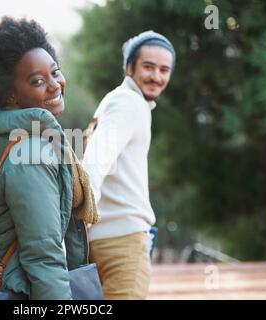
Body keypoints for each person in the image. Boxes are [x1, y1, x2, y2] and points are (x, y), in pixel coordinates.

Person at [0, 17, 98, 300]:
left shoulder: (5, 132)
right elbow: (43, 256)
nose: (55, 85)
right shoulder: (30, 151)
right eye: (38, 81)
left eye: (55, 72)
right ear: (12, 95)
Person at [82, 30, 176, 299]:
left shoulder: (115, 101)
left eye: (164, 69)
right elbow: (96, 159)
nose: (156, 76)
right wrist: (86, 208)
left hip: (101, 241)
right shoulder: (128, 102)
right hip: (123, 243)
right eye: (148, 67)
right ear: (129, 67)